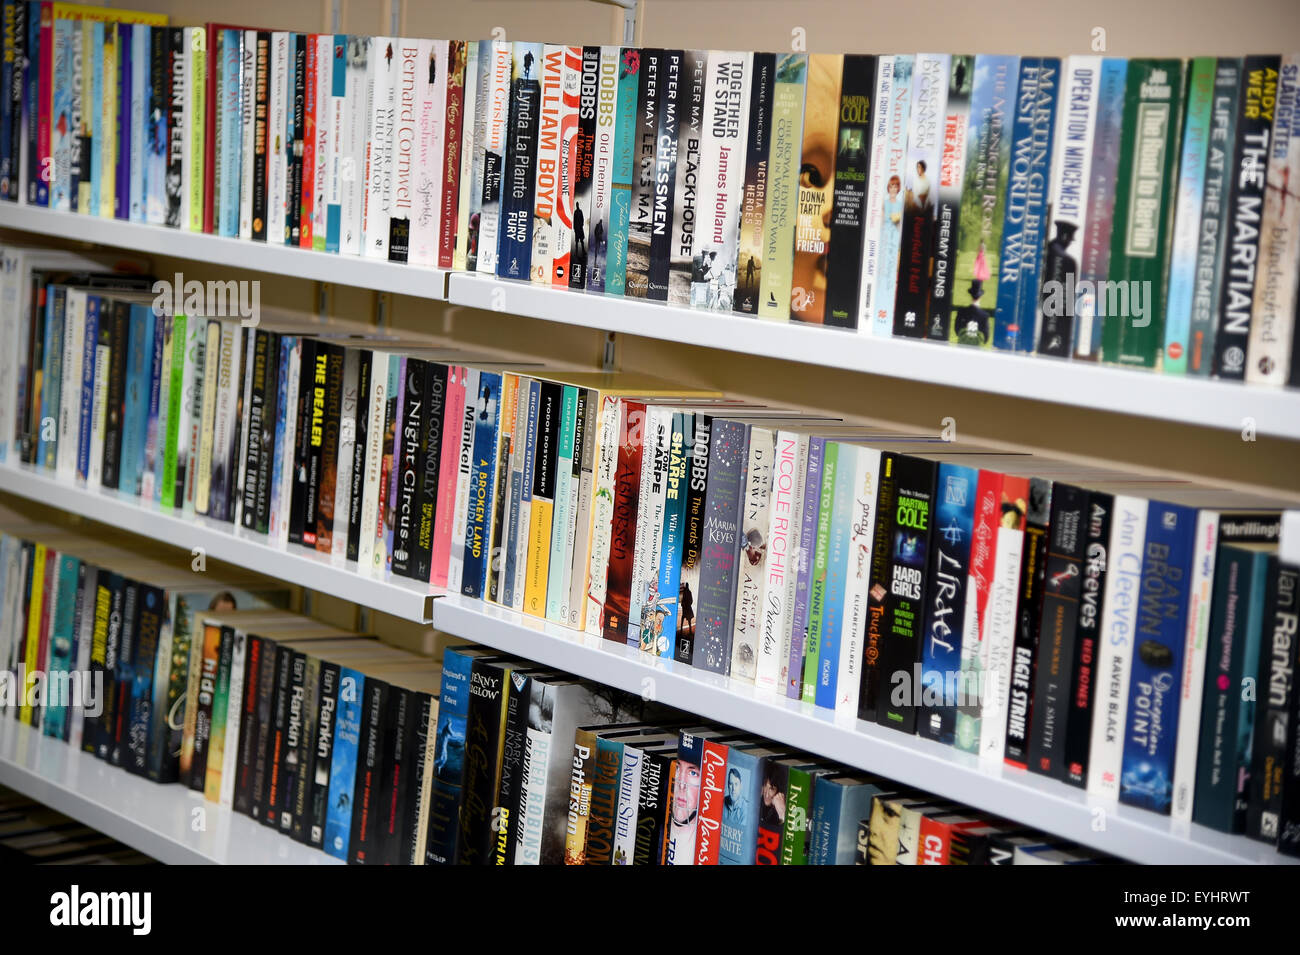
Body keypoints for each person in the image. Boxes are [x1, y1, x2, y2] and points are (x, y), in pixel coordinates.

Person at [954, 278, 991, 346]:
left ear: (970, 295)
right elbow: (986, 337)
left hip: (962, 344)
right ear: (980, 297)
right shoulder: (984, 315)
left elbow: (956, 330)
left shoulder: (961, 311)